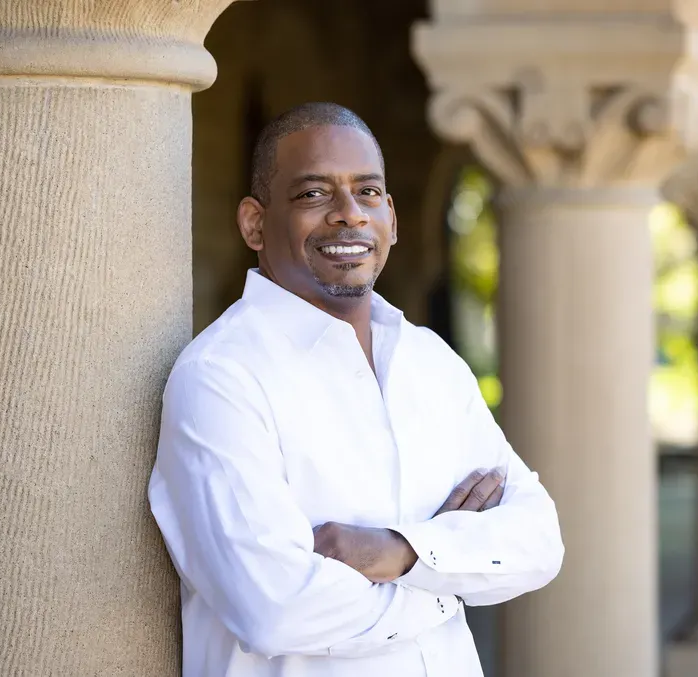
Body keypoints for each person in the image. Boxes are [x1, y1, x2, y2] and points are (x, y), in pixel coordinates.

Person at [148, 102, 564, 676]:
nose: (349, 215)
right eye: (313, 194)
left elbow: (539, 542)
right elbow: (275, 610)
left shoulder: (431, 363)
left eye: (367, 192)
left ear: (390, 215)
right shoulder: (221, 378)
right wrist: (452, 580)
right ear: (253, 223)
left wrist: (401, 552)